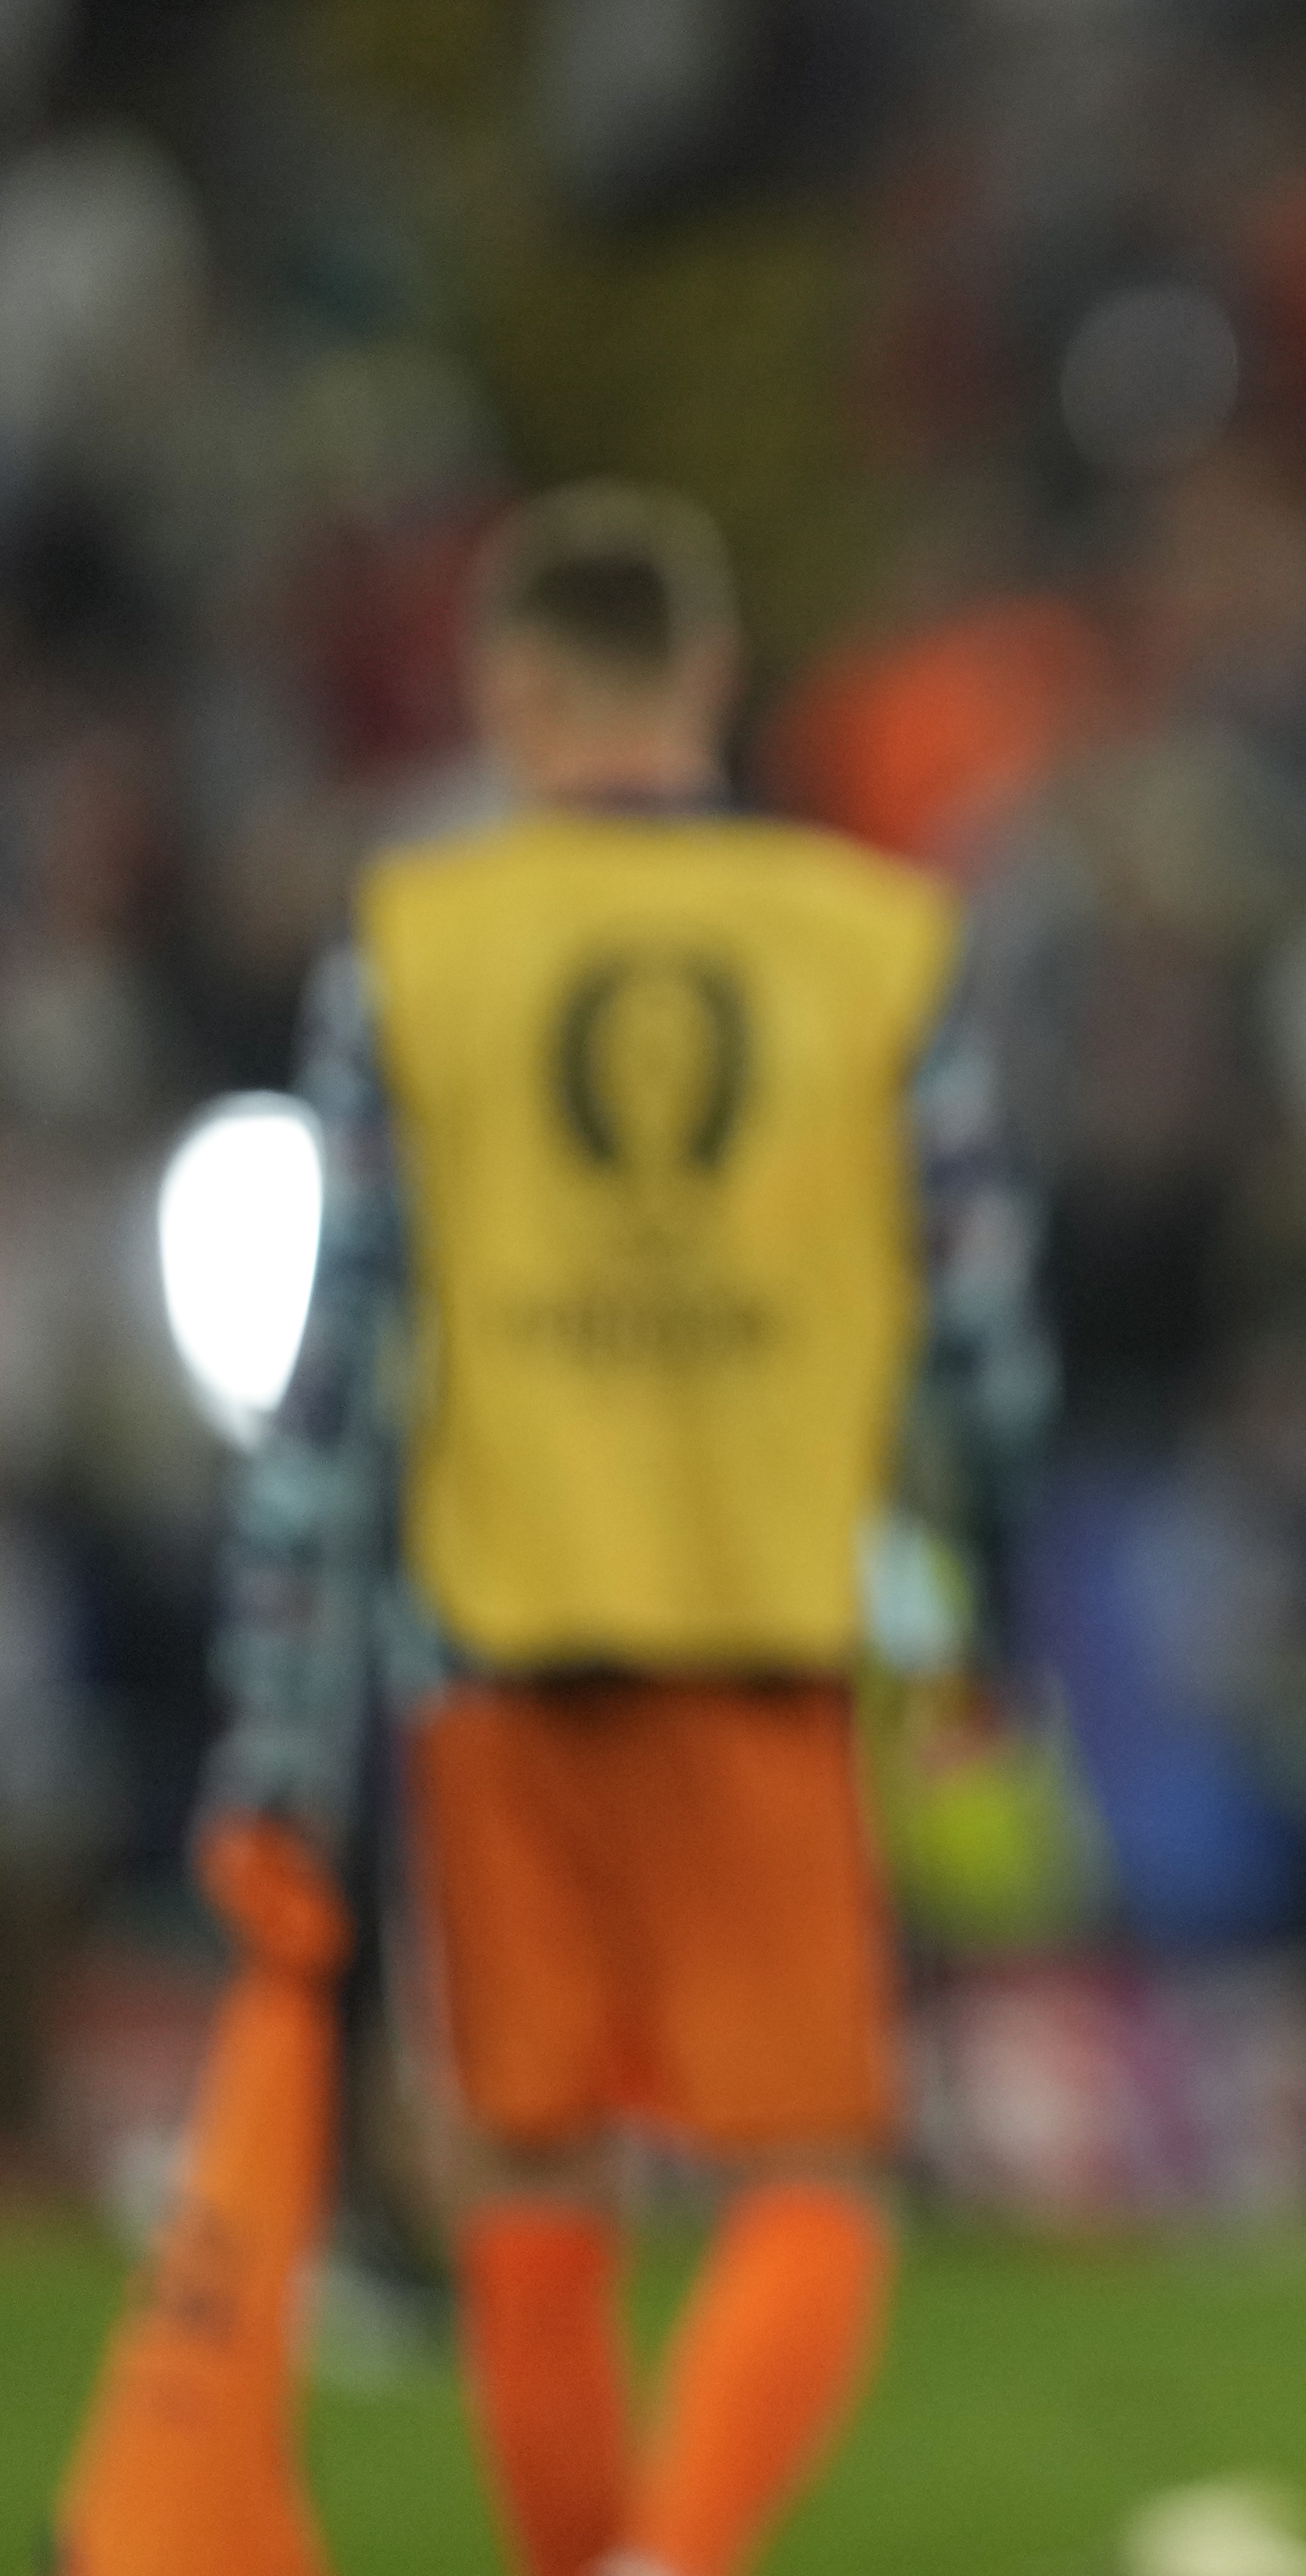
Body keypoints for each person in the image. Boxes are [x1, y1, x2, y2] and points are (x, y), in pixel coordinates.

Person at [192, 482, 1049, 2576]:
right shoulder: (873, 943)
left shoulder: (414, 944)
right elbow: (981, 1354)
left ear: (510, 691)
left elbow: (333, 1393)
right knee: (817, 2172)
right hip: (763, 1636)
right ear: (714, 679)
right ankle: (674, 2555)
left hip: (498, 1650)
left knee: (527, 2176)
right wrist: (982, 1626)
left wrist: (276, 1732)